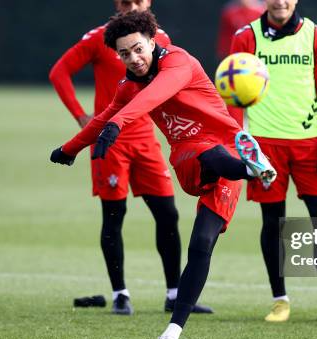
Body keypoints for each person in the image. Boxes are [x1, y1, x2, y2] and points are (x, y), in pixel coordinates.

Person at [50, 11, 277, 339]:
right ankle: (253, 168)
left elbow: (155, 95)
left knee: (202, 243)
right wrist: (70, 149)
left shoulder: (179, 62)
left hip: (226, 151)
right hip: (189, 156)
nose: (134, 58)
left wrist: (119, 122)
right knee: (205, 153)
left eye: (138, 49)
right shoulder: (128, 86)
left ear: (153, 41)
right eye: (124, 54)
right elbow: (104, 118)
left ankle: (170, 335)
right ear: (117, 55)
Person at [48, 0, 211, 315]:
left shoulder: (162, 42)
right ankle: (121, 294)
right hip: (111, 144)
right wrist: (80, 119)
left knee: (167, 215)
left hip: (146, 140)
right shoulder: (100, 38)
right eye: (125, 2)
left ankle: (174, 294)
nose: (132, 5)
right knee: (113, 216)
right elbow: (60, 73)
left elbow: (164, 90)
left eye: (138, 1)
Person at [228, 0, 317, 323]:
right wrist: (238, 142)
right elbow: (231, 92)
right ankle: (280, 301)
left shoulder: (316, 36)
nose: (280, 2)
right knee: (273, 221)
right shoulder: (246, 37)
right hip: (265, 146)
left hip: (309, 144)